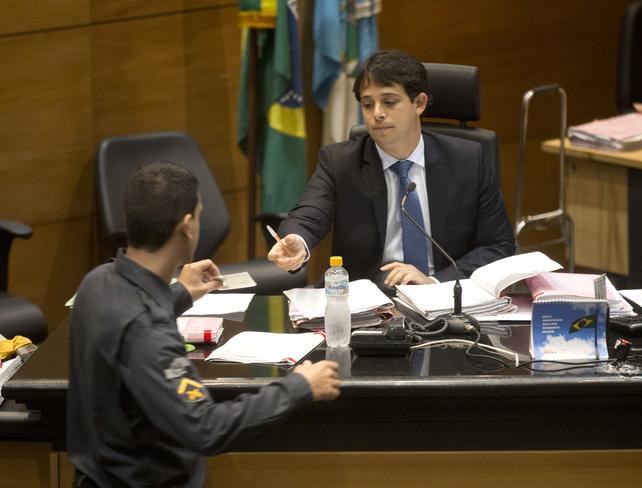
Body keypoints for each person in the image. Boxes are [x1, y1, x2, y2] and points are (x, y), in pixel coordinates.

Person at [67, 162, 340, 487]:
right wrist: (299, 387)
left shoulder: (95, 282)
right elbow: (204, 427)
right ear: (187, 226)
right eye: (197, 213)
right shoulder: (149, 333)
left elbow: (129, 318)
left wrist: (181, 293)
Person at [268, 50, 515, 287]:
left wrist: (436, 282)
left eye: (389, 101)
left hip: (443, 297)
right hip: (369, 305)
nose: (377, 114)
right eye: (367, 104)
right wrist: (298, 242)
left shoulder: (467, 160)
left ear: (419, 103)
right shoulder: (339, 162)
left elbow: (497, 245)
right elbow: (310, 213)